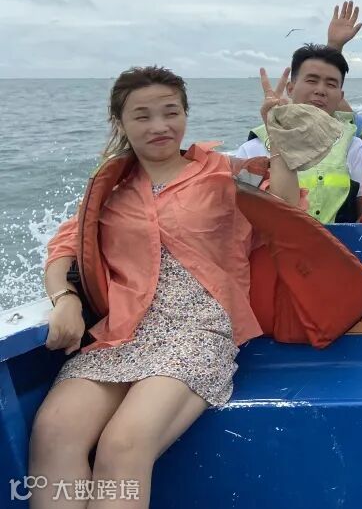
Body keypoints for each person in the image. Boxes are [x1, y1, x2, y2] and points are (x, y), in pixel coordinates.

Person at [31, 67, 303, 509]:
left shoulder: (226, 174)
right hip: (122, 334)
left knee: (123, 444)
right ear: (120, 122)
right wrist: (64, 299)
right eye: (142, 116)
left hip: (199, 331)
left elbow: (288, 209)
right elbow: (64, 247)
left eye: (170, 112)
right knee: (53, 431)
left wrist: (281, 137)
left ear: (186, 115)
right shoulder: (111, 187)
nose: (159, 126)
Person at [235, 44, 362, 224]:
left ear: (340, 96)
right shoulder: (252, 149)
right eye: (312, 81)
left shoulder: (354, 147)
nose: (320, 90)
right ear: (290, 88)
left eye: (331, 84)